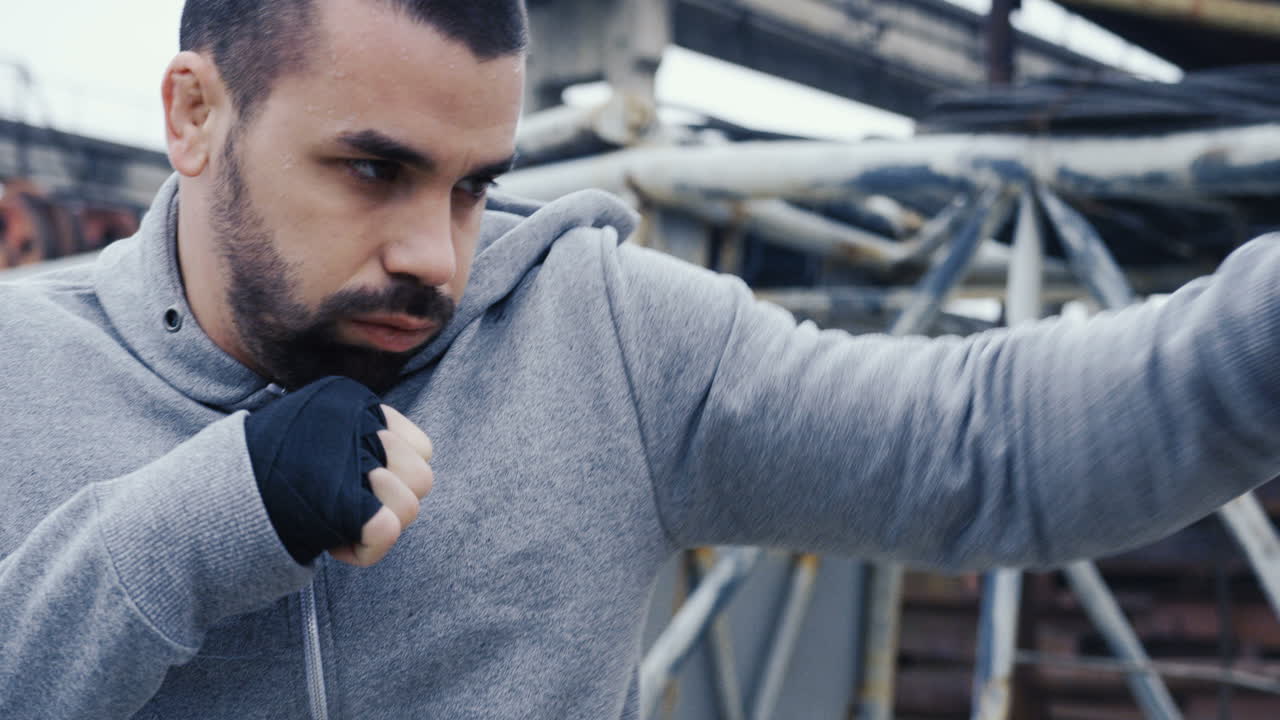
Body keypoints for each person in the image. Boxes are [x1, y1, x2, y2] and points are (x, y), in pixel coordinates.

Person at [1, 0, 1277, 717]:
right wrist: (200, 522)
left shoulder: (606, 338)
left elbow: (976, 452)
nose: (438, 258)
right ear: (194, 112)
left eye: (472, 187)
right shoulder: (20, 369)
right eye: (373, 169)